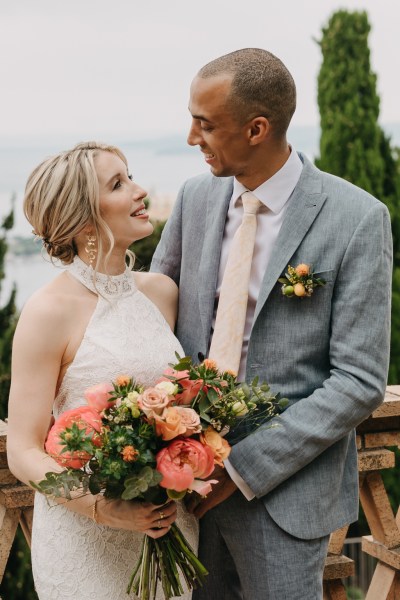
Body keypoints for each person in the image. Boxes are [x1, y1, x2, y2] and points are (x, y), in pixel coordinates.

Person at [151, 48, 393, 599]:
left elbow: (359, 381)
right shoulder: (193, 199)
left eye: (205, 124)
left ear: (257, 128)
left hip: (283, 496)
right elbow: (152, 316)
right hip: (178, 484)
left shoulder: (357, 219)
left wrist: (241, 469)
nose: (192, 138)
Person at [6, 142, 198, 600]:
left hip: (168, 527)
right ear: (84, 220)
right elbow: (24, 450)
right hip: (85, 543)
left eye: (130, 177)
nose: (140, 191)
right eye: (119, 184)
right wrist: (104, 508)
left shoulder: (161, 293)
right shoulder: (47, 312)